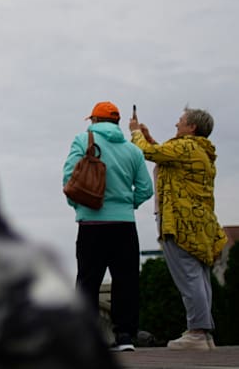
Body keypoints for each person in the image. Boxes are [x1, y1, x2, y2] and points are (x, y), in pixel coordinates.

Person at [131, 107, 227, 351]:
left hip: (180, 221)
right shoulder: (200, 151)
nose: (177, 124)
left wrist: (135, 133)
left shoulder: (185, 146)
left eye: (181, 121)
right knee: (200, 276)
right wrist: (150, 137)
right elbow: (166, 157)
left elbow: (146, 152)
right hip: (200, 222)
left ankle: (197, 332)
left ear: (192, 127)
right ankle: (203, 333)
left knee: (189, 277)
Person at [62, 101, 153, 352]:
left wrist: (79, 206)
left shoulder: (83, 140)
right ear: (117, 122)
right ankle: (124, 336)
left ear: (94, 120)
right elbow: (146, 188)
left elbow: (69, 177)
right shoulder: (132, 150)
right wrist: (127, 204)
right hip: (124, 224)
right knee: (126, 280)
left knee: (88, 280)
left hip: (91, 223)